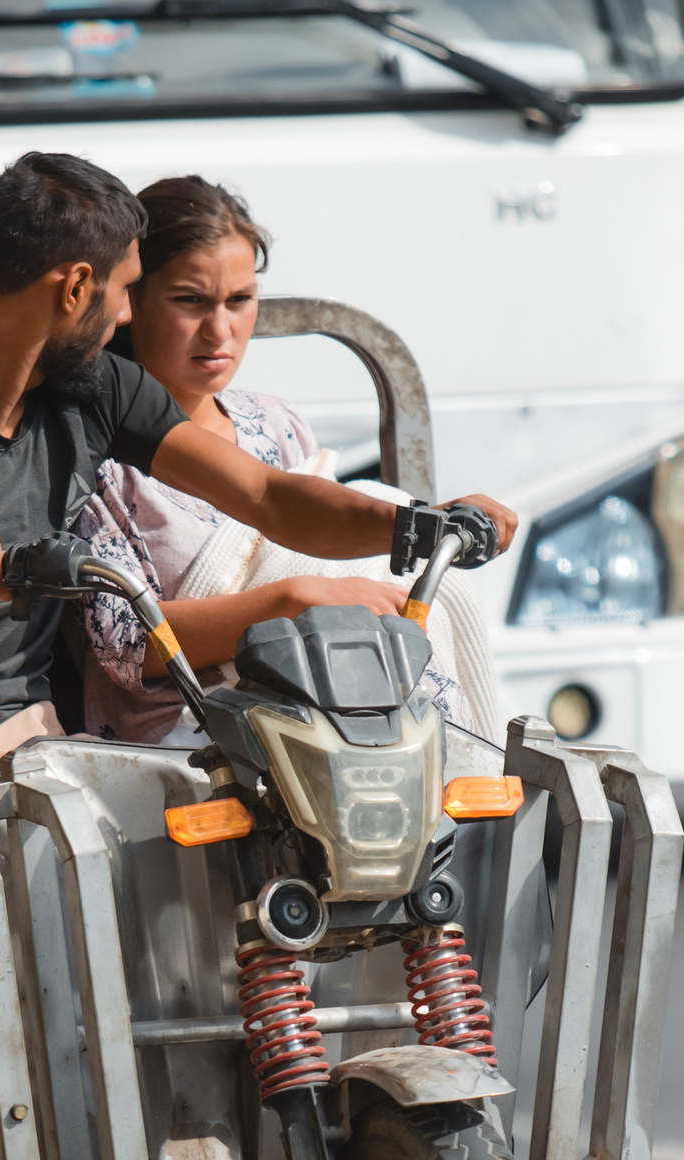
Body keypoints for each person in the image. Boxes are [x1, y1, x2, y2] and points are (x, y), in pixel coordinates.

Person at [0, 152, 517, 898]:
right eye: (124, 291)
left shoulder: (94, 390)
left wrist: (420, 523)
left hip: (23, 738)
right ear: (75, 287)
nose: (125, 315)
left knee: (225, 818)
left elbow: (271, 498)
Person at [74, 175, 491, 744]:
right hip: (199, 742)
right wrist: (295, 602)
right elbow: (126, 646)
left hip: (342, 705)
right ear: (131, 301)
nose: (219, 330)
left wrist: (439, 525)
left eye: (239, 301)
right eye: (189, 301)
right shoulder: (94, 458)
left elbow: (335, 558)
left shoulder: (276, 422)